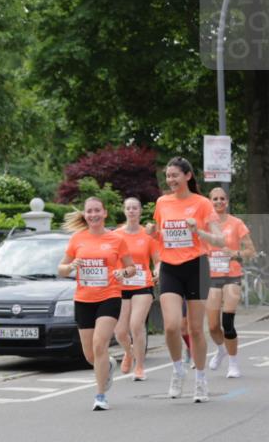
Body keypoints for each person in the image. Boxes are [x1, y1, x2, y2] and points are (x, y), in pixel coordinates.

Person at [144, 157, 224, 402]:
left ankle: (200, 379)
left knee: (196, 329)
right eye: (168, 176)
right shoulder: (162, 202)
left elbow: (219, 240)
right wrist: (153, 232)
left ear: (188, 176)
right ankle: (178, 369)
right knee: (171, 326)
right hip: (170, 267)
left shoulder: (201, 204)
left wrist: (197, 231)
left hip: (197, 267)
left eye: (175, 175)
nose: (171, 180)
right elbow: (161, 236)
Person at [59, 197, 136, 411]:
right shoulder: (77, 239)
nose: (93, 215)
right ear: (85, 215)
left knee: (99, 344)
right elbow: (61, 268)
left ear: (104, 214)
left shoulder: (116, 240)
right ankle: (109, 365)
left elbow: (132, 268)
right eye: (89, 211)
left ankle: (100, 395)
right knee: (90, 355)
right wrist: (71, 266)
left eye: (97, 211)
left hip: (109, 296)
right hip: (83, 299)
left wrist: (123, 272)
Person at [205, 187, 256, 378]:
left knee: (228, 321)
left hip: (232, 276)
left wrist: (235, 254)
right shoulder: (205, 225)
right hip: (211, 277)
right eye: (215, 199)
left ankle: (233, 364)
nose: (219, 202)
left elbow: (250, 251)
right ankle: (221, 350)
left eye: (222, 199)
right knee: (212, 326)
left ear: (227, 201)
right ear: (210, 202)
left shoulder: (237, 223)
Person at [114, 197, 160, 381]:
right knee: (120, 332)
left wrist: (158, 271)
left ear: (140, 211)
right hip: (121, 285)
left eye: (135, 208)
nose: (131, 211)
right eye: (128, 208)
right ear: (124, 211)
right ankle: (128, 351)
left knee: (136, 325)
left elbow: (158, 260)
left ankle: (140, 367)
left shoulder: (147, 235)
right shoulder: (116, 235)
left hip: (142, 284)